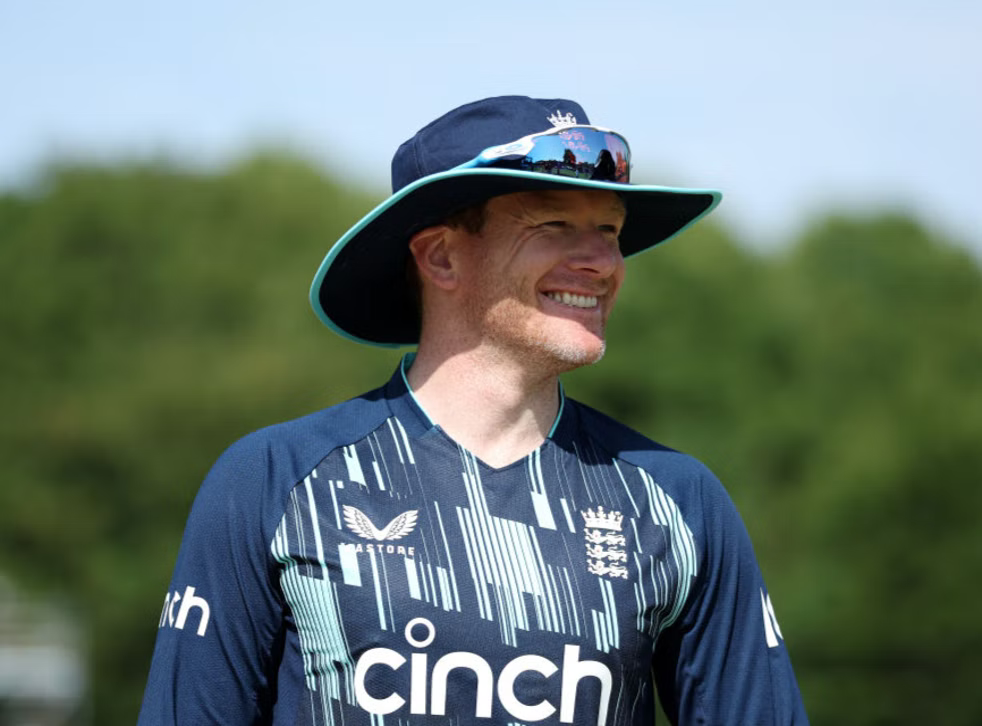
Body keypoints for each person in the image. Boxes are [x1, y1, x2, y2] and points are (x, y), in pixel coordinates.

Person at [138, 95, 808, 725]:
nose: (603, 261)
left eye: (610, 231)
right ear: (441, 256)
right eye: (555, 225)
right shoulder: (272, 480)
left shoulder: (678, 501)